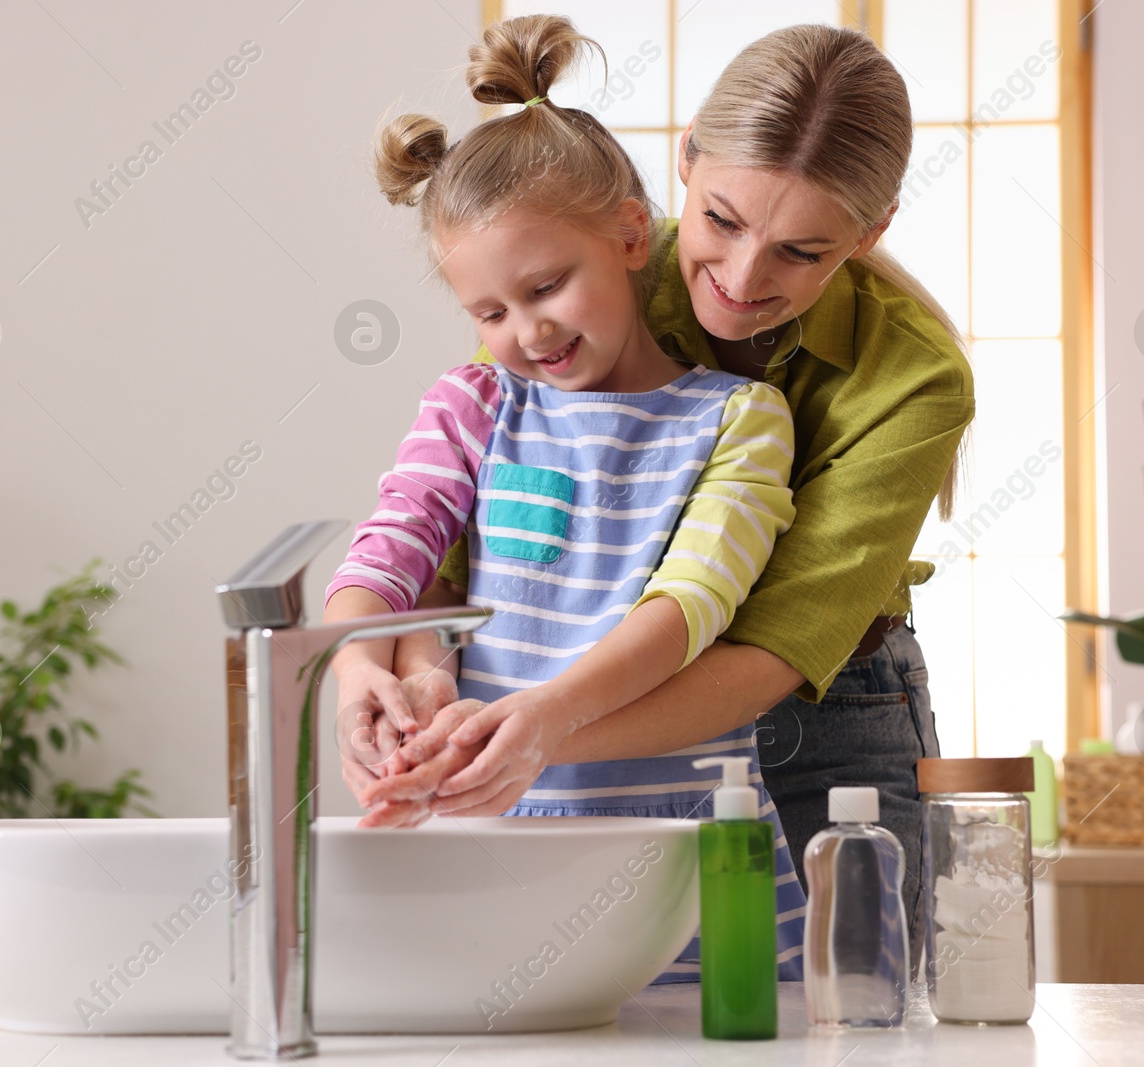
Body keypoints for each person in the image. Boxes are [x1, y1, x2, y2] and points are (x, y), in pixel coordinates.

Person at [347, 21, 975, 963]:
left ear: (871, 230)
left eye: (802, 252)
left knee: (845, 1014)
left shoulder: (907, 380)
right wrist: (406, 679)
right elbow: (442, 551)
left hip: (828, 714)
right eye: (722, 219)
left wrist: (526, 730)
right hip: (523, 729)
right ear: (682, 168)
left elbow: (757, 645)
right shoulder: (562, 268)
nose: (741, 277)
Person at [324, 14, 809, 982]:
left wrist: (539, 718)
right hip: (497, 834)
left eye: (548, 285)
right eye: (489, 311)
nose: (525, 330)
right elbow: (390, 547)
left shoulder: (739, 420)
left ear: (633, 233)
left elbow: (692, 603)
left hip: (689, 845)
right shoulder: (471, 404)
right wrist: (354, 674)